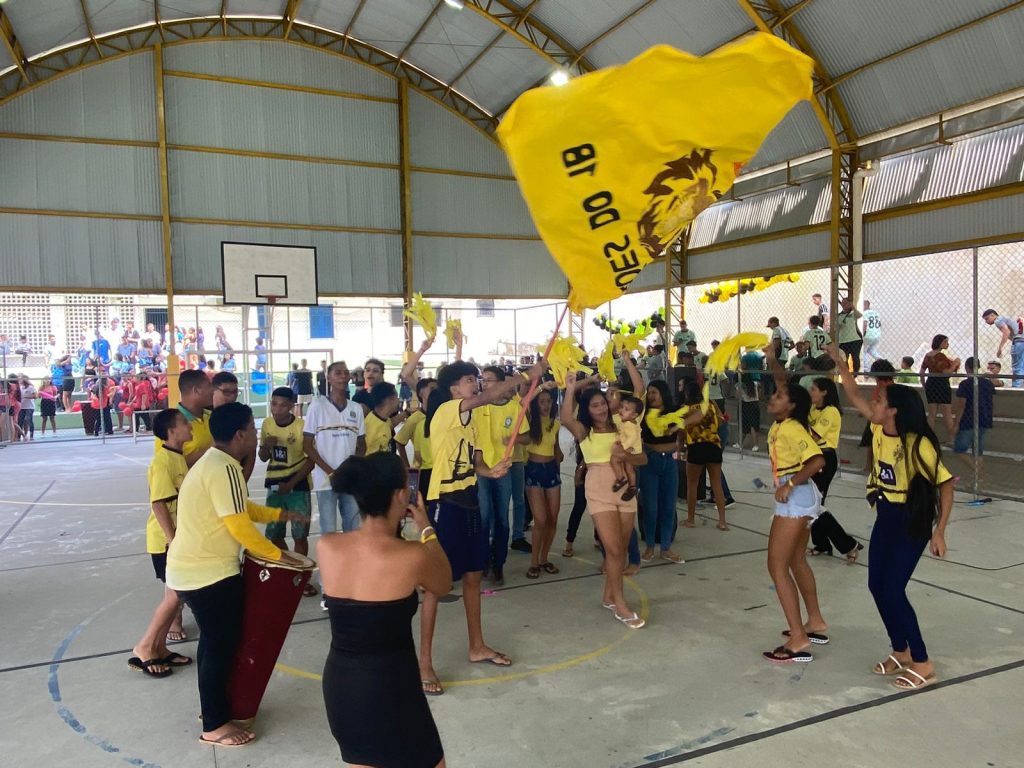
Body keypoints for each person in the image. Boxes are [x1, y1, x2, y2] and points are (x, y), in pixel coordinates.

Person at [167, 403, 303, 747]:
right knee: (219, 647)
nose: (257, 436)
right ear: (240, 435)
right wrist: (280, 557)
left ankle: (213, 710)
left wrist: (279, 515)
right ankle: (214, 725)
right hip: (207, 575)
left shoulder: (215, 464)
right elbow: (239, 526)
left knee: (216, 644)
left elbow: (242, 509)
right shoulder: (225, 467)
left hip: (197, 570)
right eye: (253, 430)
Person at [829, 344, 954, 691]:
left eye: (881, 401)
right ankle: (901, 650)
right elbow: (853, 393)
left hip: (911, 520)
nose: (874, 403)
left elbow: (946, 487)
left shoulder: (918, 444)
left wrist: (940, 532)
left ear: (894, 411)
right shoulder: (878, 429)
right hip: (886, 515)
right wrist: (840, 364)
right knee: (876, 586)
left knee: (894, 589)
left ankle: (923, 661)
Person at [320, 452, 451, 768]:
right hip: (391, 686)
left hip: (341, 686)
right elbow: (444, 583)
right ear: (401, 495)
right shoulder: (413, 555)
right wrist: (426, 528)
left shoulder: (327, 546)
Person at [418, 360, 529, 695]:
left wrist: (491, 471)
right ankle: (424, 662)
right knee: (436, 586)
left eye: (476, 379)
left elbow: (476, 461)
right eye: (470, 380)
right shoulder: (447, 411)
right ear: (453, 388)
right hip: (446, 504)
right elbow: (489, 396)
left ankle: (477, 645)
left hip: (470, 502)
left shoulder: (472, 421)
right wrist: (527, 375)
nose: (476, 384)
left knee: (473, 577)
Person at [561, 375, 647, 629]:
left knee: (621, 547)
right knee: (614, 550)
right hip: (599, 489)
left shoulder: (623, 424)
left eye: (602, 403)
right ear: (587, 410)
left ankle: (609, 595)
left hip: (626, 489)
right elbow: (566, 418)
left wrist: (625, 457)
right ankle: (620, 603)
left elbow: (642, 458)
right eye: (594, 405)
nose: (600, 409)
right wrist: (570, 389)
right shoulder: (584, 431)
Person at [762, 374, 827, 664]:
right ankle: (815, 621)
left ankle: (799, 636)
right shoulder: (784, 425)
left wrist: (789, 485)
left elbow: (817, 460)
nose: (772, 398)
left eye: (779, 396)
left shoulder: (791, 428)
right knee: (796, 560)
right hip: (801, 497)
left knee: (776, 566)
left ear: (791, 406)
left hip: (795, 498)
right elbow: (782, 380)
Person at [129, 408, 193, 679]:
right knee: (175, 595)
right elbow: (158, 504)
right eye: (184, 423)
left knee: (177, 596)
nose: (190, 426)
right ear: (171, 431)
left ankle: (160, 648)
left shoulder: (179, 458)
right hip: (166, 541)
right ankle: (145, 647)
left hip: (177, 538)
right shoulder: (162, 462)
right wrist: (173, 541)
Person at [303, 361, 367, 575]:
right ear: (328, 378)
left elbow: (362, 444)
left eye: (346, 373)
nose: (343, 376)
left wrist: (352, 468)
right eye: (337, 373)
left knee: (353, 530)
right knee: (328, 532)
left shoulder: (355, 408)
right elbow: (307, 444)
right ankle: (328, 583)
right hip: (325, 481)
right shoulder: (317, 406)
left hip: (350, 481)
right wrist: (331, 471)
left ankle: (353, 577)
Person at [475, 366, 530, 587]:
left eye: (489, 380)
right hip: (481, 469)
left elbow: (526, 436)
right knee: (484, 516)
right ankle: (483, 561)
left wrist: (513, 440)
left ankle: (498, 563)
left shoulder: (514, 408)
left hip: (503, 469)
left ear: (500, 383)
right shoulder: (477, 406)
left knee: (501, 518)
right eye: (483, 379)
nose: (484, 383)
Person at [260, 387, 316, 596]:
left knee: (300, 535)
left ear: (292, 406)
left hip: (298, 487)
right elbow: (263, 457)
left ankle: (300, 577)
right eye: (274, 404)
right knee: (274, 534)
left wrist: (291, 483)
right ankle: (289, 568)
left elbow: (311, 461)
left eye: (283, 405)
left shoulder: (302, 427)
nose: (277, 409)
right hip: (274, 487)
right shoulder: (267, 424)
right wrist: (266, 446)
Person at [804, 374, 862, 562]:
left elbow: (812, 436)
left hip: (824, 459)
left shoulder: (831, 412)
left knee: (815, 505)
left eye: (814, 389)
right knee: (813, 504)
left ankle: (848, 544)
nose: (810, 392)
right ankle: (821, 544)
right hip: (810, 457)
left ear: (824, 392)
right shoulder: (813, 409)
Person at [678, 380, 729, 531]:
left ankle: (691, 519)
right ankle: (722, 521)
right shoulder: (711, 403)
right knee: (716, 485)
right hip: (713, 445)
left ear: (686, 393)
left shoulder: (684, 409)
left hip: (695, 446)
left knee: (692, 485)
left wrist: (681, 448)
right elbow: (721, 420)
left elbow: (681, 431)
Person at [523, 388, 563, 580]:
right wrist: (539, 386)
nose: (546, 405)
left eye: (548, 401)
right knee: (540, 519)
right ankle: (534, 562)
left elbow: (556, 448)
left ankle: (544, 558)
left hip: (552, 470)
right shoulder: (530, 421)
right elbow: (523, 401)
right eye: (542, 401)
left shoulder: (555, 423)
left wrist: (559, 458)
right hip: (534, 470)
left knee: (552, 518)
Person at [949, 357, 995, 480]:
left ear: (966, 367)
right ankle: (978, 479)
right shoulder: (987, 383)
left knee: (959, 449)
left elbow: (962, 405)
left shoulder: (965, 384)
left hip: (968, 420)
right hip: (984, 418)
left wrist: (956, 424)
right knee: (978, 452)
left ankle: (979, 473)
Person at [155, 369, 213, 467]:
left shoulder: (213, 417)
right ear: (196, 390)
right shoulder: (169, 424)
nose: (213, 391)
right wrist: (212, 449)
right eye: (209, 386)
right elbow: (167, 465)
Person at [920, 334, 960, 442]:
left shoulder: (928, 355)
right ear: (940, 343)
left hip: (931, 383)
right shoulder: (940, 356)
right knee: (947, 413)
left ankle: (930, 439)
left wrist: (924, 383)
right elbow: (946, 372)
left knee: (932, 414)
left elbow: (922, 371)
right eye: (945, 342)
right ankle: (952, 439)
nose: (947, 344)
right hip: (942, 384)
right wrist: (955, 363)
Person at [610, 395, 643, 501]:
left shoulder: (629, 425)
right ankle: (632, 486)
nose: (622, 410)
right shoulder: (628, 422)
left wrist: (623, 447)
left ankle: (620, 478)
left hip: (630, 449)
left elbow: (632, 438)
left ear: (634, 415)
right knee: (629, 468)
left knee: (614, 460)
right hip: (632, 449)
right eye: (622, 407)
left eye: (626, 409)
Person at [981, 309, 1023, 388]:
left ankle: (1017, 388)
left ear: (993, 315)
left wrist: (1000, 348)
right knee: (1021, 366)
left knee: (1017, 368)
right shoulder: (1005, 318)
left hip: (1018, 341)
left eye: (987, 318)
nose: (986, 322)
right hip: (1022, 340)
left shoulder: (998, 320)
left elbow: (1006, 332)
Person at [835, 296, 863, 374]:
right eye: (842, 303)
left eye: (846, 303)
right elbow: (835, 327)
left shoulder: (853, 313)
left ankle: (855, 374)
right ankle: (846, 374)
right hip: (843, 341)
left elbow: (859, 315)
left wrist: (853, 307)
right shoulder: (838, 315)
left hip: (854, 340)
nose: (844, 304)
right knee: (844, 359)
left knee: (855, 358)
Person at [861, 300, 882, 368]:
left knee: (864, 352)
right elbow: (879, 324)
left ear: (865, 305)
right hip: (877, 335)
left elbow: (865, 324)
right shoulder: (876, 313)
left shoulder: (864, 313)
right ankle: (883, 362)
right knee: (871, 350)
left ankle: (866, 369)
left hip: (868, 335)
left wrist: (862, 334)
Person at [17, 376, 36, 440]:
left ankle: (31, 435)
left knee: (28, 420)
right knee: (20, 421)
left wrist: (26, 397)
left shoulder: (31, 387)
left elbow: (35, 396)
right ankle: (19, 436)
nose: (19, 380)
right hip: (22, 407)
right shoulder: (20, 387)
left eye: (21, 379)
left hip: (29, 407)